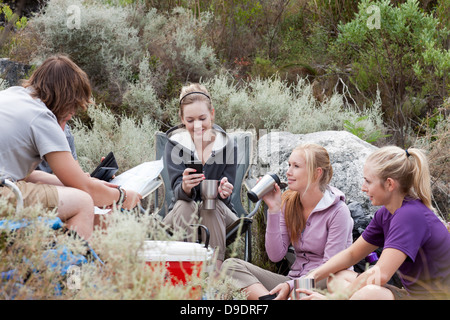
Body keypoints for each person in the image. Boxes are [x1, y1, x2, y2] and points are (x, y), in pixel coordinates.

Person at [0, 55, 141, 240]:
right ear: (66, 101)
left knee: (70, 195)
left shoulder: (13, 94)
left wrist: (89, 183)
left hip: (6, 186)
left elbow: (27, 176)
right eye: (68, 117)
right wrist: (121, 196)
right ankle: (70, 268)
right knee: (82, 202)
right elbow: (85, 190)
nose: (65, 126)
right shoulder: (41, 116)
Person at [291, 146, 450, 300]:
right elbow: (351, 254)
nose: (363, 188)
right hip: (412, 295)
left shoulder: (410, 215)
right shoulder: (386, 213)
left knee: (368, 294)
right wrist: (310, 277)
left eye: (368, 181)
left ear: (389, 184)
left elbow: (381, 274)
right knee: (337, 277)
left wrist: (334, 298)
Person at [222, 143, 354, 300]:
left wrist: (292, 286)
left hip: (325, 283)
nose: (288, 172)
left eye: (296, 166)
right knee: (230, 267)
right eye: (289, 165)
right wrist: (274, 209)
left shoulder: (338, 211)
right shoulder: (290, 203)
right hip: (293, 281)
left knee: (295, 292)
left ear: (316, 173)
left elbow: (330, 269)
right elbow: (275, 255)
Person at [162, 83, 238, 269]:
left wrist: (224, 190)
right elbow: (177, 192)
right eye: (190, 120)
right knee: (184, 204)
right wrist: (186, 187)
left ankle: (214, 273)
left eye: (202, 118)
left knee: (210, 204)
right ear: (181, 119)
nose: (197, 126)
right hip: (181, 213)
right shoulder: (175, 145)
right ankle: (187, 270)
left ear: (212, 114)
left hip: (220, 214)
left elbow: (226, 195)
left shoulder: (227, 145)